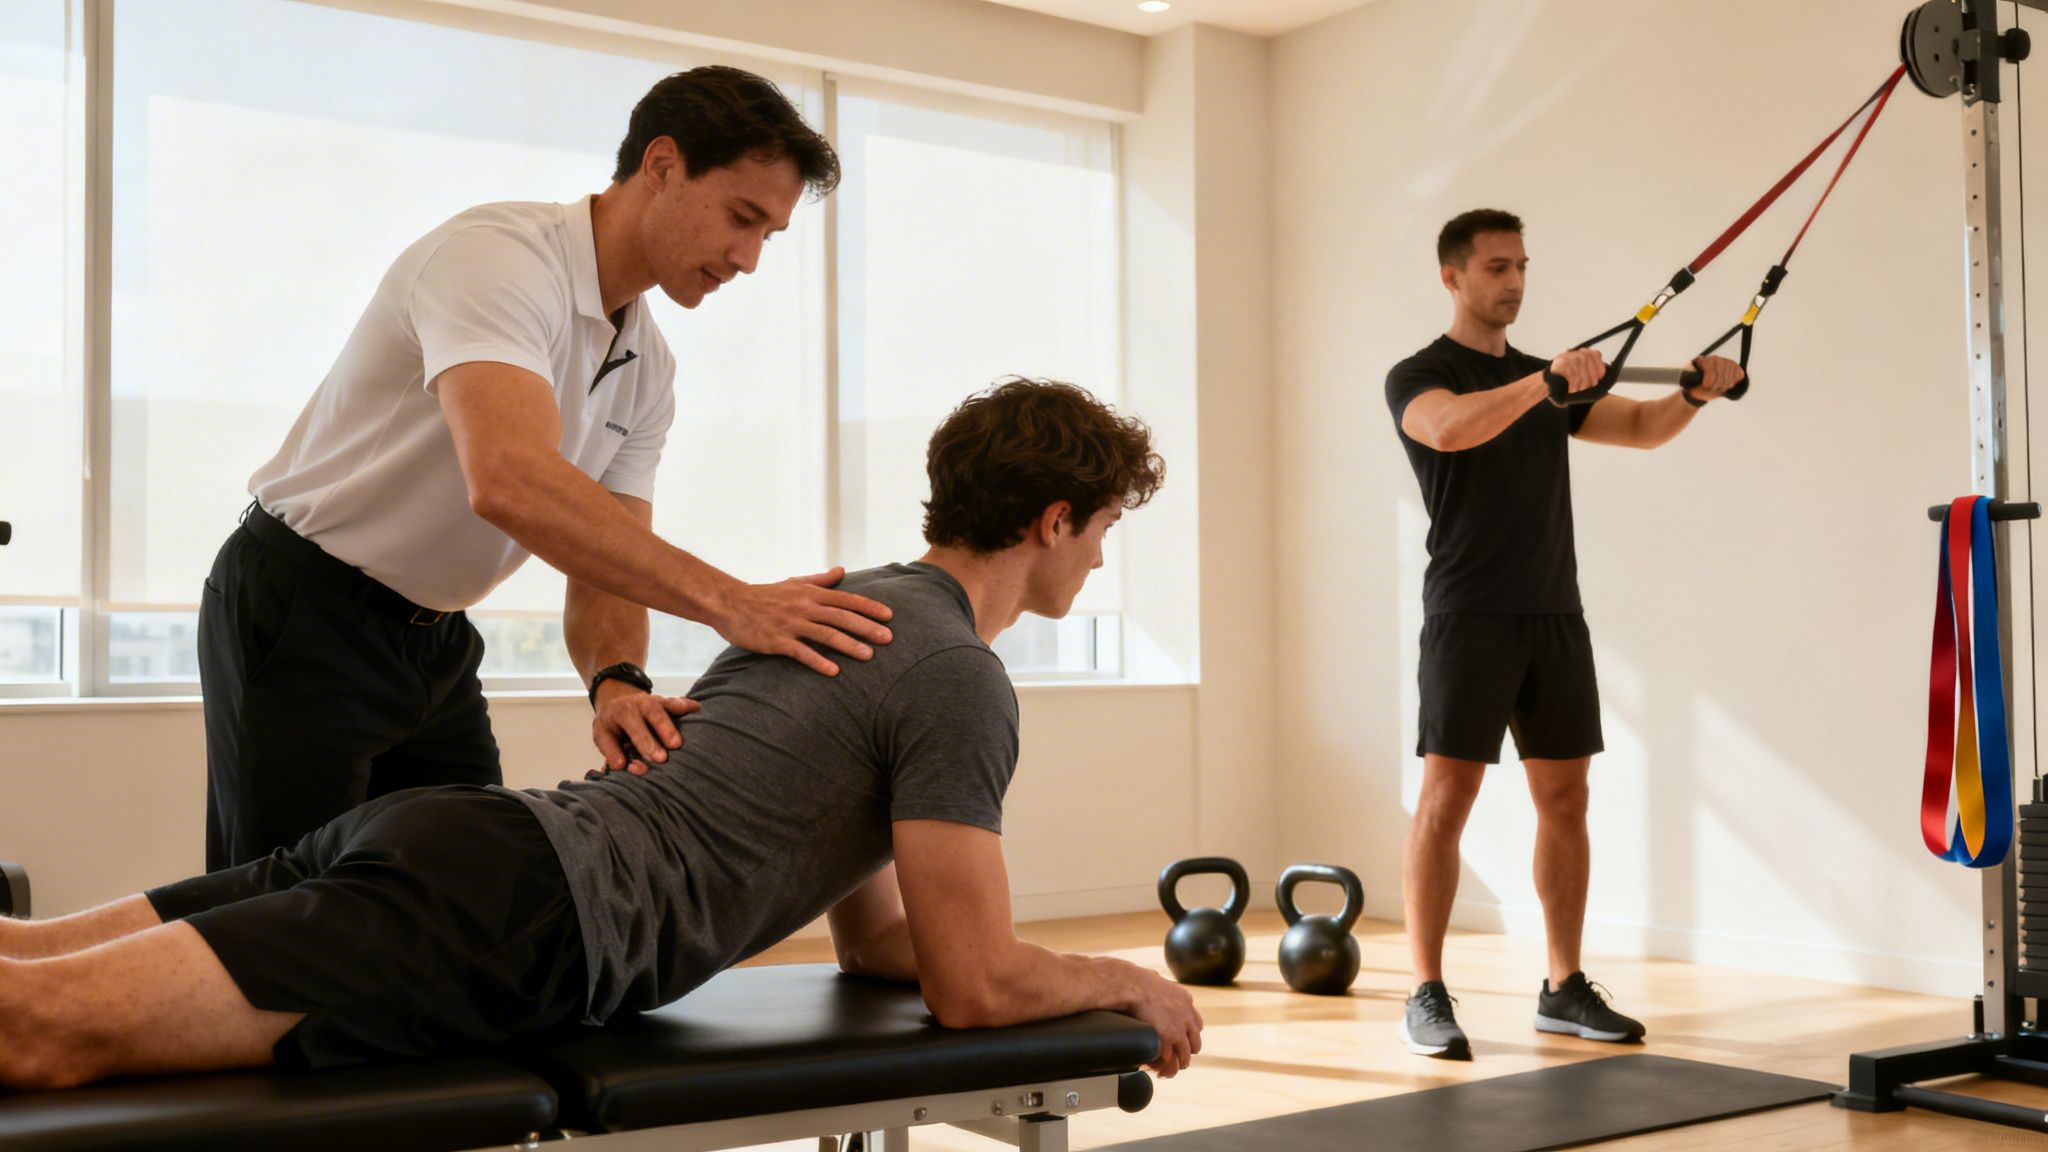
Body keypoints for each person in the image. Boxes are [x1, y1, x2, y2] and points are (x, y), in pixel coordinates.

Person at [0, 378, 1202, 1091]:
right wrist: (1120, 980)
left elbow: (885, 941)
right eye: (1098, 531)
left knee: (30, 953)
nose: (1096, 559)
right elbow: (973, 987)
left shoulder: (844, 605)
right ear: (1051, 521)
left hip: (470, 846)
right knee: (41, 1031)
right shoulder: (957, 677)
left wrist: (994, 963)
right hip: (512, 918)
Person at [199, 65, 896, 873]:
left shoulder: (647, 367)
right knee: (268, 921)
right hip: (305, 605)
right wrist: (730, 602)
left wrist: (619, 681)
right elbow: (509, 478)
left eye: (768, 236)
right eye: (742, 218)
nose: (747, 259)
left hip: (434, 641)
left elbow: (608, 558)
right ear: (662, 166)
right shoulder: (497, 260)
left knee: (457, 890)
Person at [1385, 209, 1743, 1061]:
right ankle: (1427, 992)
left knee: (1567, 801)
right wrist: (1544, 385)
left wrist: (1693, 394)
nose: (1512, 282)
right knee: (1446, 803)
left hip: (1554, 612)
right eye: (1495, 268)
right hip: (1468, 614)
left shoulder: (1550, 377)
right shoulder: (1419, 373)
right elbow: (1447, 428)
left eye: (1521, 267)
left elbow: (1643, 428)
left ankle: (1562, 986)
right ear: (1453, 277)